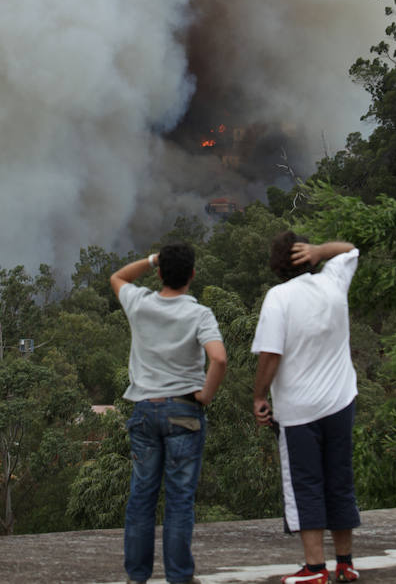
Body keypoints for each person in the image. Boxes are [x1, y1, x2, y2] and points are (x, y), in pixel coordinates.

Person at [111, 242, 227, 584]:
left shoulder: (140, 304)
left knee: (141, 497)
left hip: (145, 409)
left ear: (160, 272)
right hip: (184, 411)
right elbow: (218, 358)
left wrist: (149, 259)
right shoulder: (199, 314)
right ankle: (179, 576)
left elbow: (117, 276)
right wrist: (205, 396)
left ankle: (137, 576)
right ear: (193, 275)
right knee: (179, 500)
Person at [252, 232, 361, 584]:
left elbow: (271, 354)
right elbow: (349, 249)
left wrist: (259, 396)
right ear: (309, 259)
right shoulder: (334, 280)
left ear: (277, 266)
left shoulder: (278, 297)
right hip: (341, 401)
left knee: (306, 485)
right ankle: (345, 563)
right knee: (340, 480)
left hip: (299, 411)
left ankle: (315, 569)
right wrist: (319, 251)